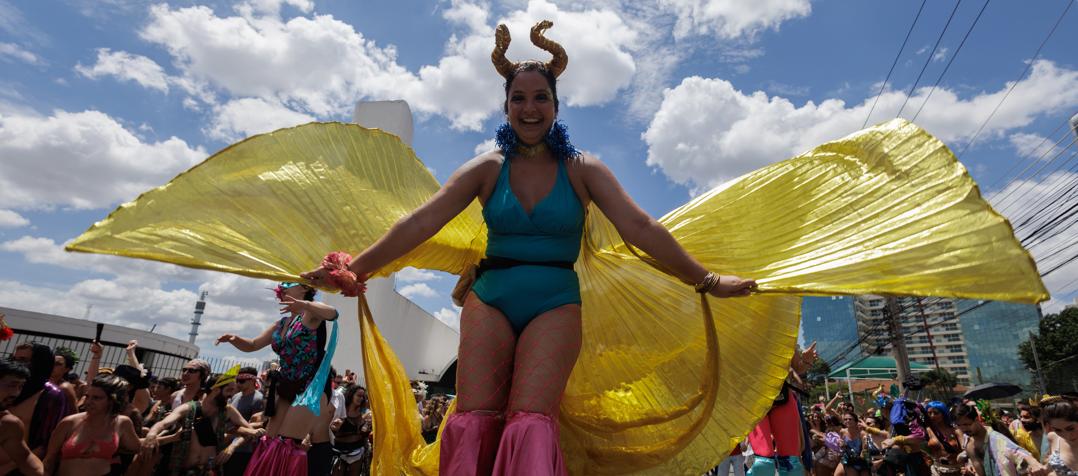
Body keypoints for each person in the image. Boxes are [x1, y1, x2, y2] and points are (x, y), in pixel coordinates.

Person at [302, 20, 756, 475]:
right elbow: (421, 221)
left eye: (541, 97)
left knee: (530, 419)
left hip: (555, 303)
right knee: (474, 417)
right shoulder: (486, 168)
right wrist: (353, 269)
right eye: (519, 98)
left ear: (556, 106)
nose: (530, 108)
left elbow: (640, 226)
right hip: (490, 298)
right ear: (506, 107)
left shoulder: (583, 170)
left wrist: (708, 280)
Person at [214, 282, 339, 475]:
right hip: (286, 387)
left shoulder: (312, 314)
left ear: (305, 288)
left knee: (286, 443)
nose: (282, 287)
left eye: (289, 284)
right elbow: (253, 344)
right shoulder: (281, 324)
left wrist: (304, 305)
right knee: (269, 441)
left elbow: (333, 313)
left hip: (308, 389)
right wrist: (235, 339)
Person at [143, 370, 263, 476]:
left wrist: (231, 448)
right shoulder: (189, 408)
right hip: (182, 470)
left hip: (210, 470)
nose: (232, 395)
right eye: (229, 390)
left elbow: (247, 430)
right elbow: (164, 423)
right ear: (216, 390)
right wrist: (152, 434)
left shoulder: (228, 410)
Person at [42, 374, 142, 476]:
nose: (89, 402)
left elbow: (138, 447)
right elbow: (49, 460)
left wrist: (153, 436)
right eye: (87, 396)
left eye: (96, 398)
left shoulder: (122, 423)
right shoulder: (69, 423)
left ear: (112, 400)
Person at [10, 342, 74, 458]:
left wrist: (12, 466)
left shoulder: (51, 395)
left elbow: (49, 443)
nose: (16, 364)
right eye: (15, 359)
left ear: (39, 362)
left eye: (23, 360)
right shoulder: (7, 388)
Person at [955, 403, 1046, 476]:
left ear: (976, 420)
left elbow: (1017, 451)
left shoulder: (996, 439)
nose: (963, 429)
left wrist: (1034, 463)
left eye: (967, 424)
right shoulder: (967, 440)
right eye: (959, 425)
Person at [0, 359, 44, 475]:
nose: (16, 393)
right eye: (12, 385)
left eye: (20, 386)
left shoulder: (8, 424)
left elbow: (26, 460)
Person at [222, 367, 264, 476]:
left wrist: (233, 443)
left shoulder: (258, 399)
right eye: (237, 380)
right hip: (225, 447)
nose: (238, 384)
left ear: (252, 380)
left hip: (243, 450)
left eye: (241, 381)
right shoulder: (236, 396)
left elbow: (255, 427)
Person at [330, 384, 372, 476]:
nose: (361, 399)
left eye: (363, 397)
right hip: (339, 451)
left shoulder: (364, 412)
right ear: (351, 395)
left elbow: (364, 434)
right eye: (358, 395)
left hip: (356, 452)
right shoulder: (341, 409)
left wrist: (367, 427)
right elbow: (332, 430)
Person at [1040, 395, 1077, 476]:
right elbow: (1050, 468)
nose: (1067, 435)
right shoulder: (1053, 437)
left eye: (1070, 428)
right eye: (1058, 430)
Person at [923, 401, 962, 476]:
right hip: (938, 471)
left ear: (943, 413)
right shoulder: (927, 430)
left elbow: (964, 448)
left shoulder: (955, 430)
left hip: (957, 470)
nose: (932, 416)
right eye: (929, 413)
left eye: (936, 413)